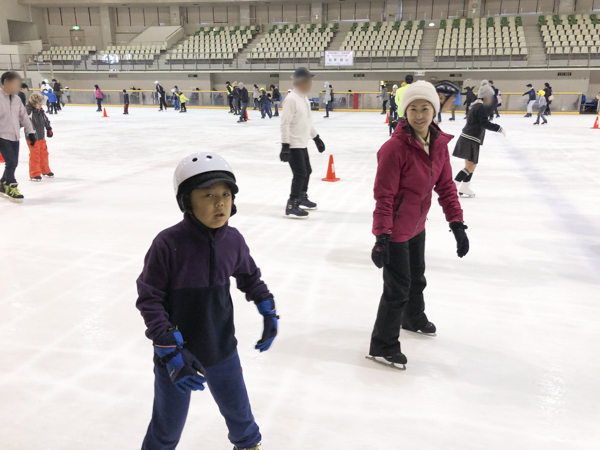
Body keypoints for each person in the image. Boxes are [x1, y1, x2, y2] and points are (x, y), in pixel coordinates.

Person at [137, 152, 277, 450]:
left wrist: (268, 309)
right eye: (209, 195)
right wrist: (170, 352)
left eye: (226, 194)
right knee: (167, 426)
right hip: (177, 355)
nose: (220, 203)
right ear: (187, 201)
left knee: (241, 418)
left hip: (221, 348)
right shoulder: (168, 244)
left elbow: (249, 277)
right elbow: (150, 299)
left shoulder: (233, 240)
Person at [368, 80, 468, 370]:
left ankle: (413, 318)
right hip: (396, 231)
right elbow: (383, 197)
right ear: (405, 112)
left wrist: (457, 224)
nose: (420, 115)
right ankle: (382, 345)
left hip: (417, 227)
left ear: (434, 111)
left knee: (417, 279)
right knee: (396, 289)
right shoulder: (393, 149)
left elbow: (446, 187)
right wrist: (381, 237)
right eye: (413, 109)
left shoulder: (437, 145)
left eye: (425, 108)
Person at [280, 67, 325, 218]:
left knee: (307, 171)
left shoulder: (304, 98)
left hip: (302, 143)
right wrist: (285, 146)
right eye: (309, 80)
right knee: (300, 174)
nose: (311, 83)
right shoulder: (291, 99)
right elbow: (284, 124)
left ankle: (301, 197)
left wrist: (316, 138)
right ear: (301, 81)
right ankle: (292, 204)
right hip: (293, 145)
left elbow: (308, 122)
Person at [453, 80, 506, 198]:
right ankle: (453, 187)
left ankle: (465, 186)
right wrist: (498, 128)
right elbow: (484, 123)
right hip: (470, 138)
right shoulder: (480, 107)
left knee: (471, 165)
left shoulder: (476, 105)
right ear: (486, 96)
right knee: (471, 166)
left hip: (468, 137)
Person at [0, 71, 37, 202]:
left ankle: (2, 183)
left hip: (15, 136)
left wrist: (31, 132)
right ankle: (11, 185)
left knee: (12, 163)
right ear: (6, 82)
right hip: (2, 136)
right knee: (11, 162)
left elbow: (24, 117)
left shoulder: (16, 99)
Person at [25, 92, 54, 182]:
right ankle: (34, 173)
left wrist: (48, 128)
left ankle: (45, 170)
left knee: (44, 154)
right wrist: (31, 135)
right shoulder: (28, 111)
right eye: (40, 103)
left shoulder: (40, 110)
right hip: (32, 138)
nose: (41, 104)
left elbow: (45, 119)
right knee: (35, 156)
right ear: (34, 103)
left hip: (41, 137)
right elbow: (25, 124)